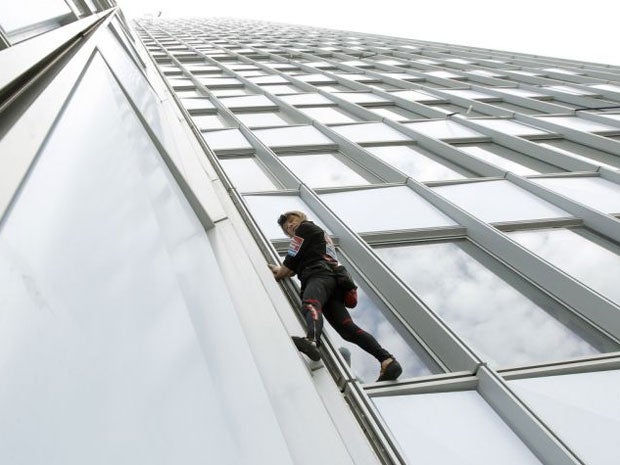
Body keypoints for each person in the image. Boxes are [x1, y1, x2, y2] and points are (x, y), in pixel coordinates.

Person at [269, 210, 402, 382]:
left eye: (292, 221)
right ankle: (387, 360)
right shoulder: (317, 237)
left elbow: (289, 264)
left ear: (301, 219)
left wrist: (278, 271)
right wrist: (286, 270)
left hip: (318, 275)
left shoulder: (305, 228)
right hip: (333, 282)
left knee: (310, 304)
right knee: (347, 329)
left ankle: (312, 342)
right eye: (286, 227)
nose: (290, 226)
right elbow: (293, 267)